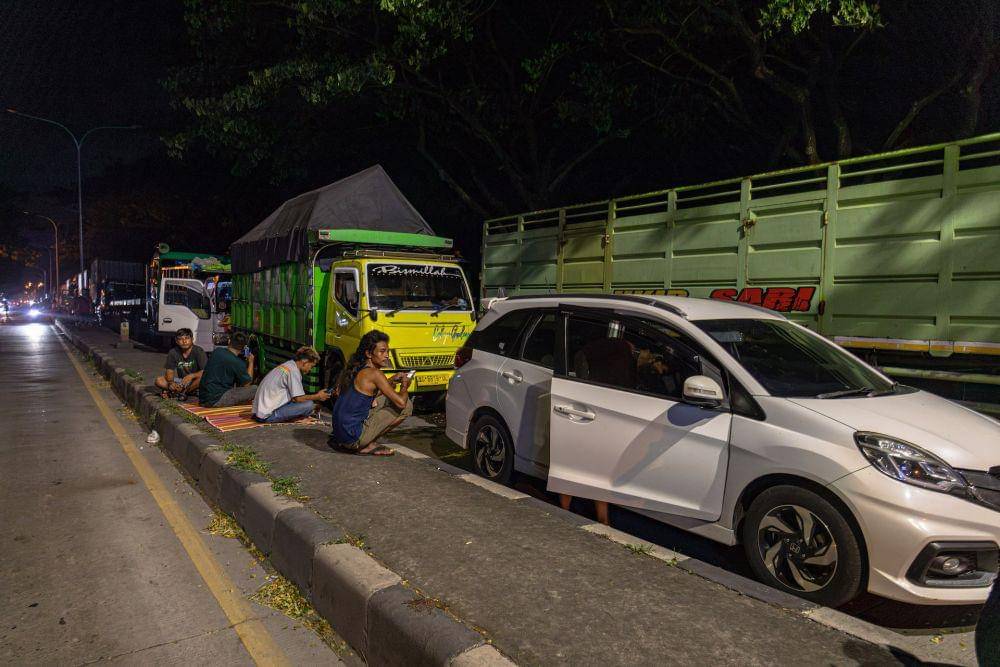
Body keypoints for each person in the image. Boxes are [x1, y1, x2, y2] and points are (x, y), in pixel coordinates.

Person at [328, 331, 413, 456]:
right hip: (352, 438)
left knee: (384, 399)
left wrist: (390, 380)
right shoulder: (375, 374)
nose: (386, 356)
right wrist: (405, 385)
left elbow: (370, 394)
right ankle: (367, 444)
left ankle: (364, 441)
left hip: (341, 434)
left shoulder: (357, 367)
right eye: (382, 351)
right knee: (407, 405)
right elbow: (400, 403)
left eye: (387, 352)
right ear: (368, 353)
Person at [252, 346, 331, 423]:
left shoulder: (288, 365)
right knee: (309, 405)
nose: (310, 369)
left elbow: (295, 399)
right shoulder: (293, 371)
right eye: (311, 366)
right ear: (305, 361)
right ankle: (295, 418)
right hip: (266, 416)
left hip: (257, 412)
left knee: (306, 403)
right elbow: (298, 399)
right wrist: (318, 396)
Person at [198, 332, 256, 407]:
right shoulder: (238, 362)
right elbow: (247, 384)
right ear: (244, 347)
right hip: (216, 400)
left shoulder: (217, 351)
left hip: (203, 399)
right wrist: (251, 362)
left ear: (229, 341)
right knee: (255, 389)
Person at [154, 328, 208, 400]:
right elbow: (169, 371)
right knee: (159, 380)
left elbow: (205, 371)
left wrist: (191, 376)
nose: (184, 341)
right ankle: (183, 392)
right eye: (180, 339)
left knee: (204, 378)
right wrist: (171, 383)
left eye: (187, 338)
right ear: (176, 341)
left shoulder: (199, 351)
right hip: (182, 381)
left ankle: (180, 392)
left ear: (192, 339)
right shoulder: (173, 352)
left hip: (195, 381)